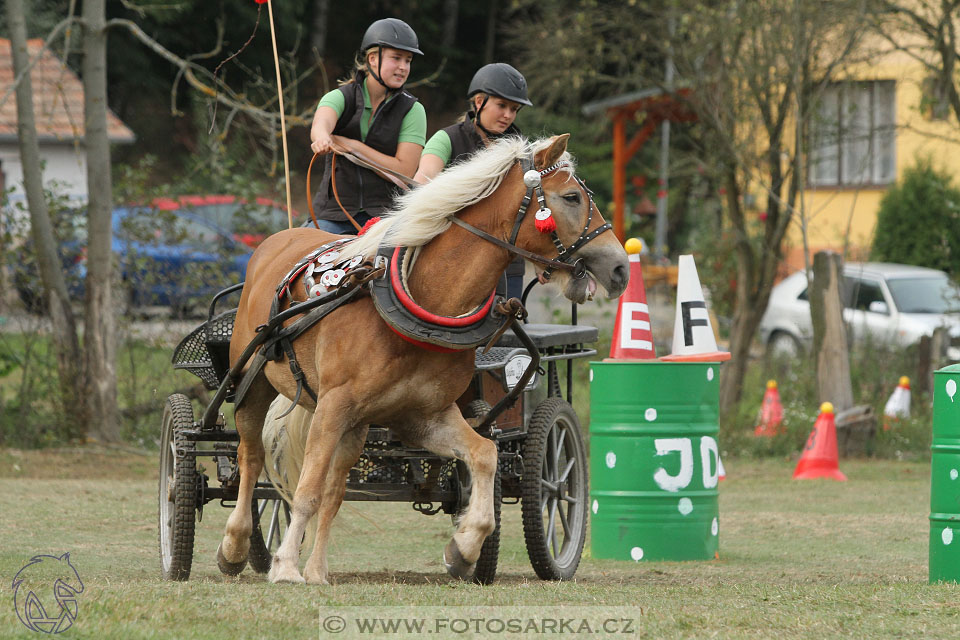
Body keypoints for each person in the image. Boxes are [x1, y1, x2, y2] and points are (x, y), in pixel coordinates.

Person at [414, 63, 532, 299]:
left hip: (508, 265)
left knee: (507, 333)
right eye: (501, 105)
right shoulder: (446, 138)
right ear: (479, 102)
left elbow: (534, 206)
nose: (508, 115)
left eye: (514, 108)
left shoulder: (524, 152)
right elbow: (421, 183)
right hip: (454, 257)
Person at [309, 18, 427, 234]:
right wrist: (322, 137)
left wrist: (352, 146)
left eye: (408, 60)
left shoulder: (413, 110)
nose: (403, 67)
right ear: (373, 59)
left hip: (387, 218)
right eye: (396, 58)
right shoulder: (341, 96)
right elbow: (322, 122)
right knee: (300, 259)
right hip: (332, 214)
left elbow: (403, 170)